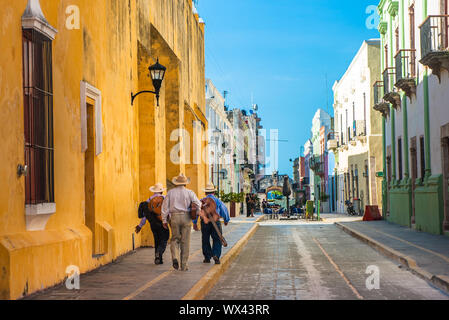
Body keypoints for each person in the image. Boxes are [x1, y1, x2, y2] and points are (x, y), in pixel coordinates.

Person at [161, 173, 201, 271]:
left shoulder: (170, 192)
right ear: (185, 183)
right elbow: (198, 203)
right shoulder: (189, 192)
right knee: (185, 241)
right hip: (186, 217)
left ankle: (175, 257)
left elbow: (165, 207)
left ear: (176, 183)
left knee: (174, 239)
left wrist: (164, 220)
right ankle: (184, 265)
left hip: (174, 217)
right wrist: (197, 214)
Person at [193, 183, 230, 265]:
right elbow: (224, 210)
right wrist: (226, 219)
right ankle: (216, 255)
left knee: (205, 239)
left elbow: (197, 212)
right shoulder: (217, 200)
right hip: (215, 221)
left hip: (204, 222)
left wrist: (195, 223)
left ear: (205, 192)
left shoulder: (201, 201)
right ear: (214, 192)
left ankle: (207, 257)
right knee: (217, 239)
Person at [135, 183, 169, 265]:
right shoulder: (164, 199)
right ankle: (159, 252)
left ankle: (158, 259)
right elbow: (168, 212)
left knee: (157, 240)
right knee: (164, 239)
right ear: (161, 191)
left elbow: (145, 216)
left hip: (153, 224)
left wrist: (140, 226)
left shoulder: (148, 201)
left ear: (154, 191)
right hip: (162, 222)